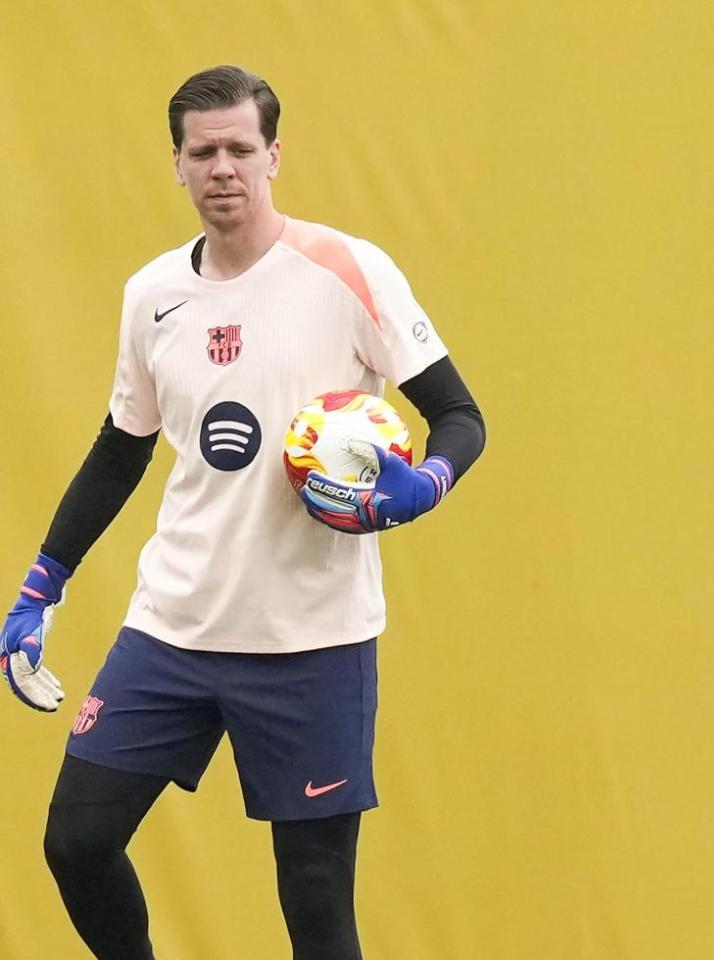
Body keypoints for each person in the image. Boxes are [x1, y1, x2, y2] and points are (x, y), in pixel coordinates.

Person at [0, 65, 486, 960]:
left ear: (274, 156)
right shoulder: (152, 297)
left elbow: (461, 415)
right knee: (76, 843)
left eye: (239, 149)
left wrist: (426, 483)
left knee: (314, 901)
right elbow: (122, 448)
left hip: (313, 640)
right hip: (172, 628)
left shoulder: (347, 270)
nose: (222, 167)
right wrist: (43, 582)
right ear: (176, 165)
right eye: (202, 151)